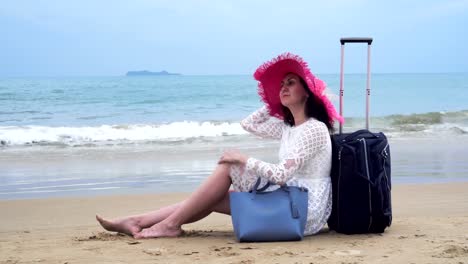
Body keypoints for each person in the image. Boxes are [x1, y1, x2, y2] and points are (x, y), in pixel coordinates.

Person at [96, 52, 344, 239]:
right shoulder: (290, 128)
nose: (283, 87)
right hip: (288, 198)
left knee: (228, 167)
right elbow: (249, 123)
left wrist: (244, 159)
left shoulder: (314, 129)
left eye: (290, 83)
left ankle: (167, 226)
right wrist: (274, 102)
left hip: (303, 211)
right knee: (214, 196)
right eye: (282, 85)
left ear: (307, 93)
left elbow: (281, 175)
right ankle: (138, 221)